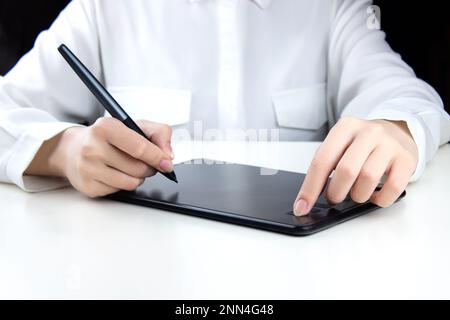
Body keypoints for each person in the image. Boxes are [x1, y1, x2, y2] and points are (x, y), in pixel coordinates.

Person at [0, 0, 449, 217]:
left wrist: (395, 128)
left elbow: (407, 96)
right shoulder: (103, 9)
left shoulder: (329, 9)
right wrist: (63, 151)